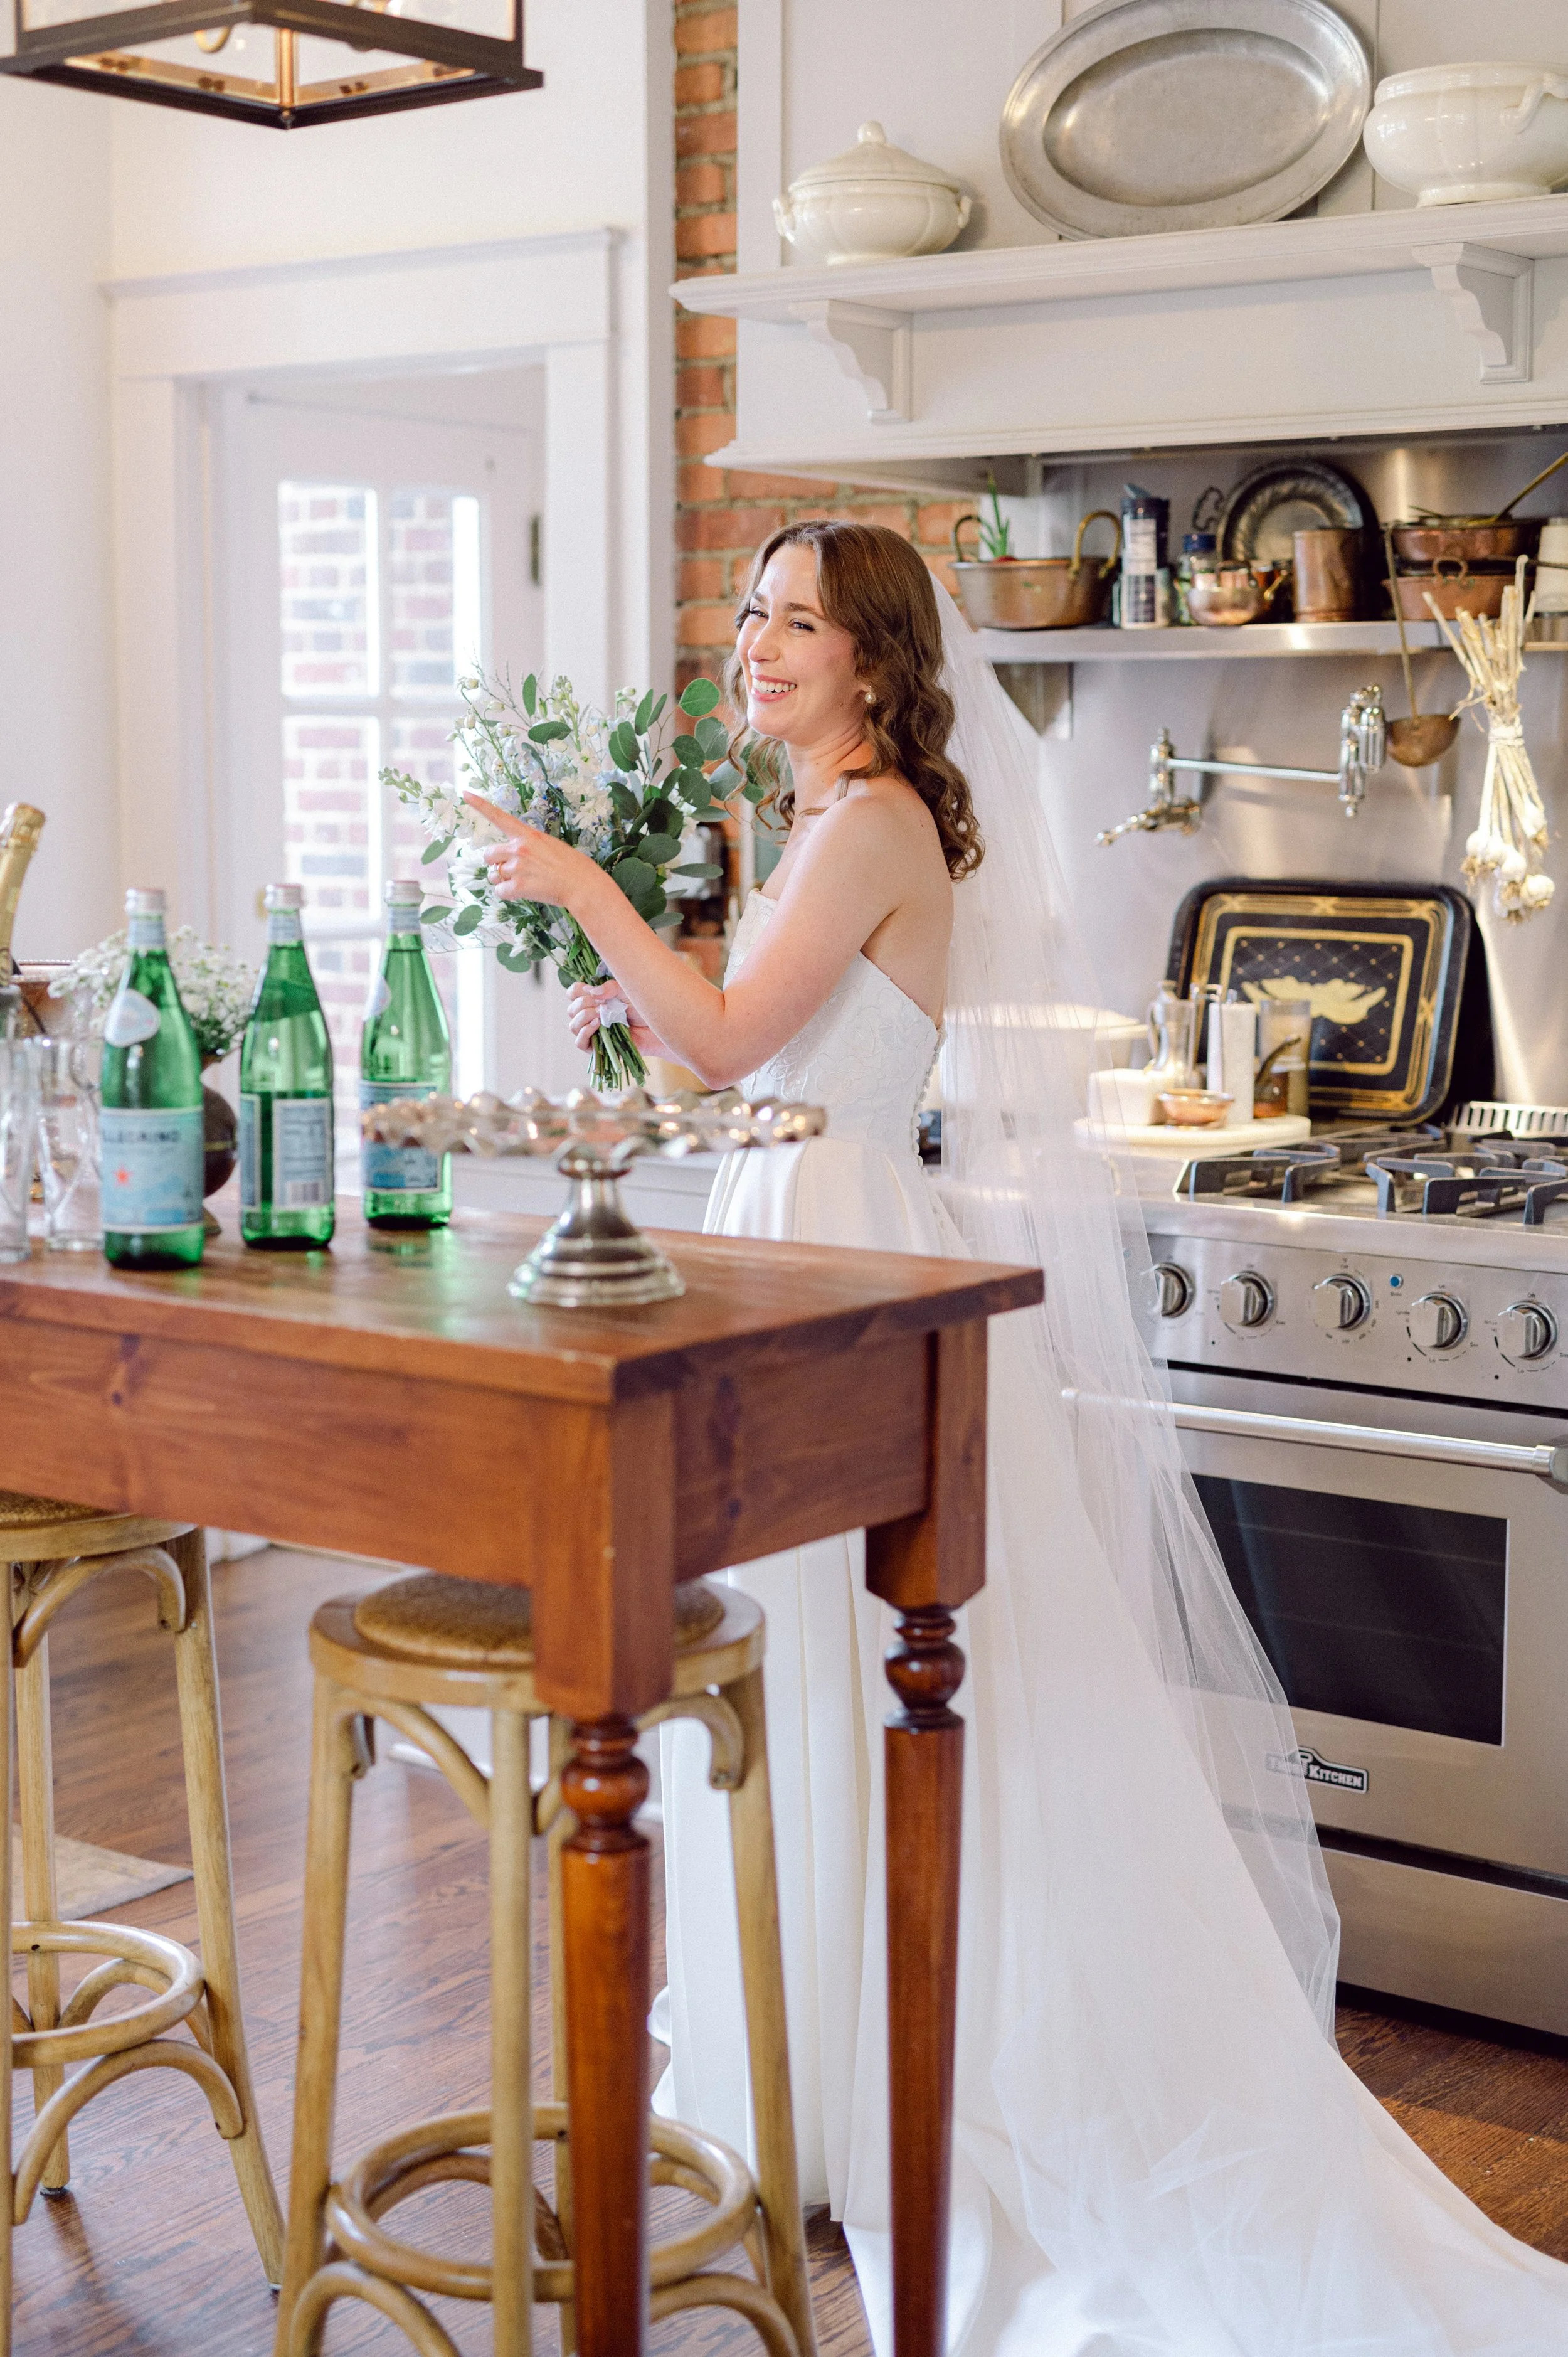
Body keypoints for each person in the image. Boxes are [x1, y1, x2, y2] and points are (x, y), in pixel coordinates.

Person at [467, 521, 1568, 2354]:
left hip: (842, 1265)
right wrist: (637, 992)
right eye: (753, 612)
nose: (756, 643)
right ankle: (803, 2078)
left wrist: (585, 889)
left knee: (854, 1664)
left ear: (877, 659)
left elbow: (733, 1047)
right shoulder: (826, 817)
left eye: (798, 620)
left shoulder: (874, 818)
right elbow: (742, 1058)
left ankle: (876, 2079)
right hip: (792, 1235)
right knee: (801, 1669)